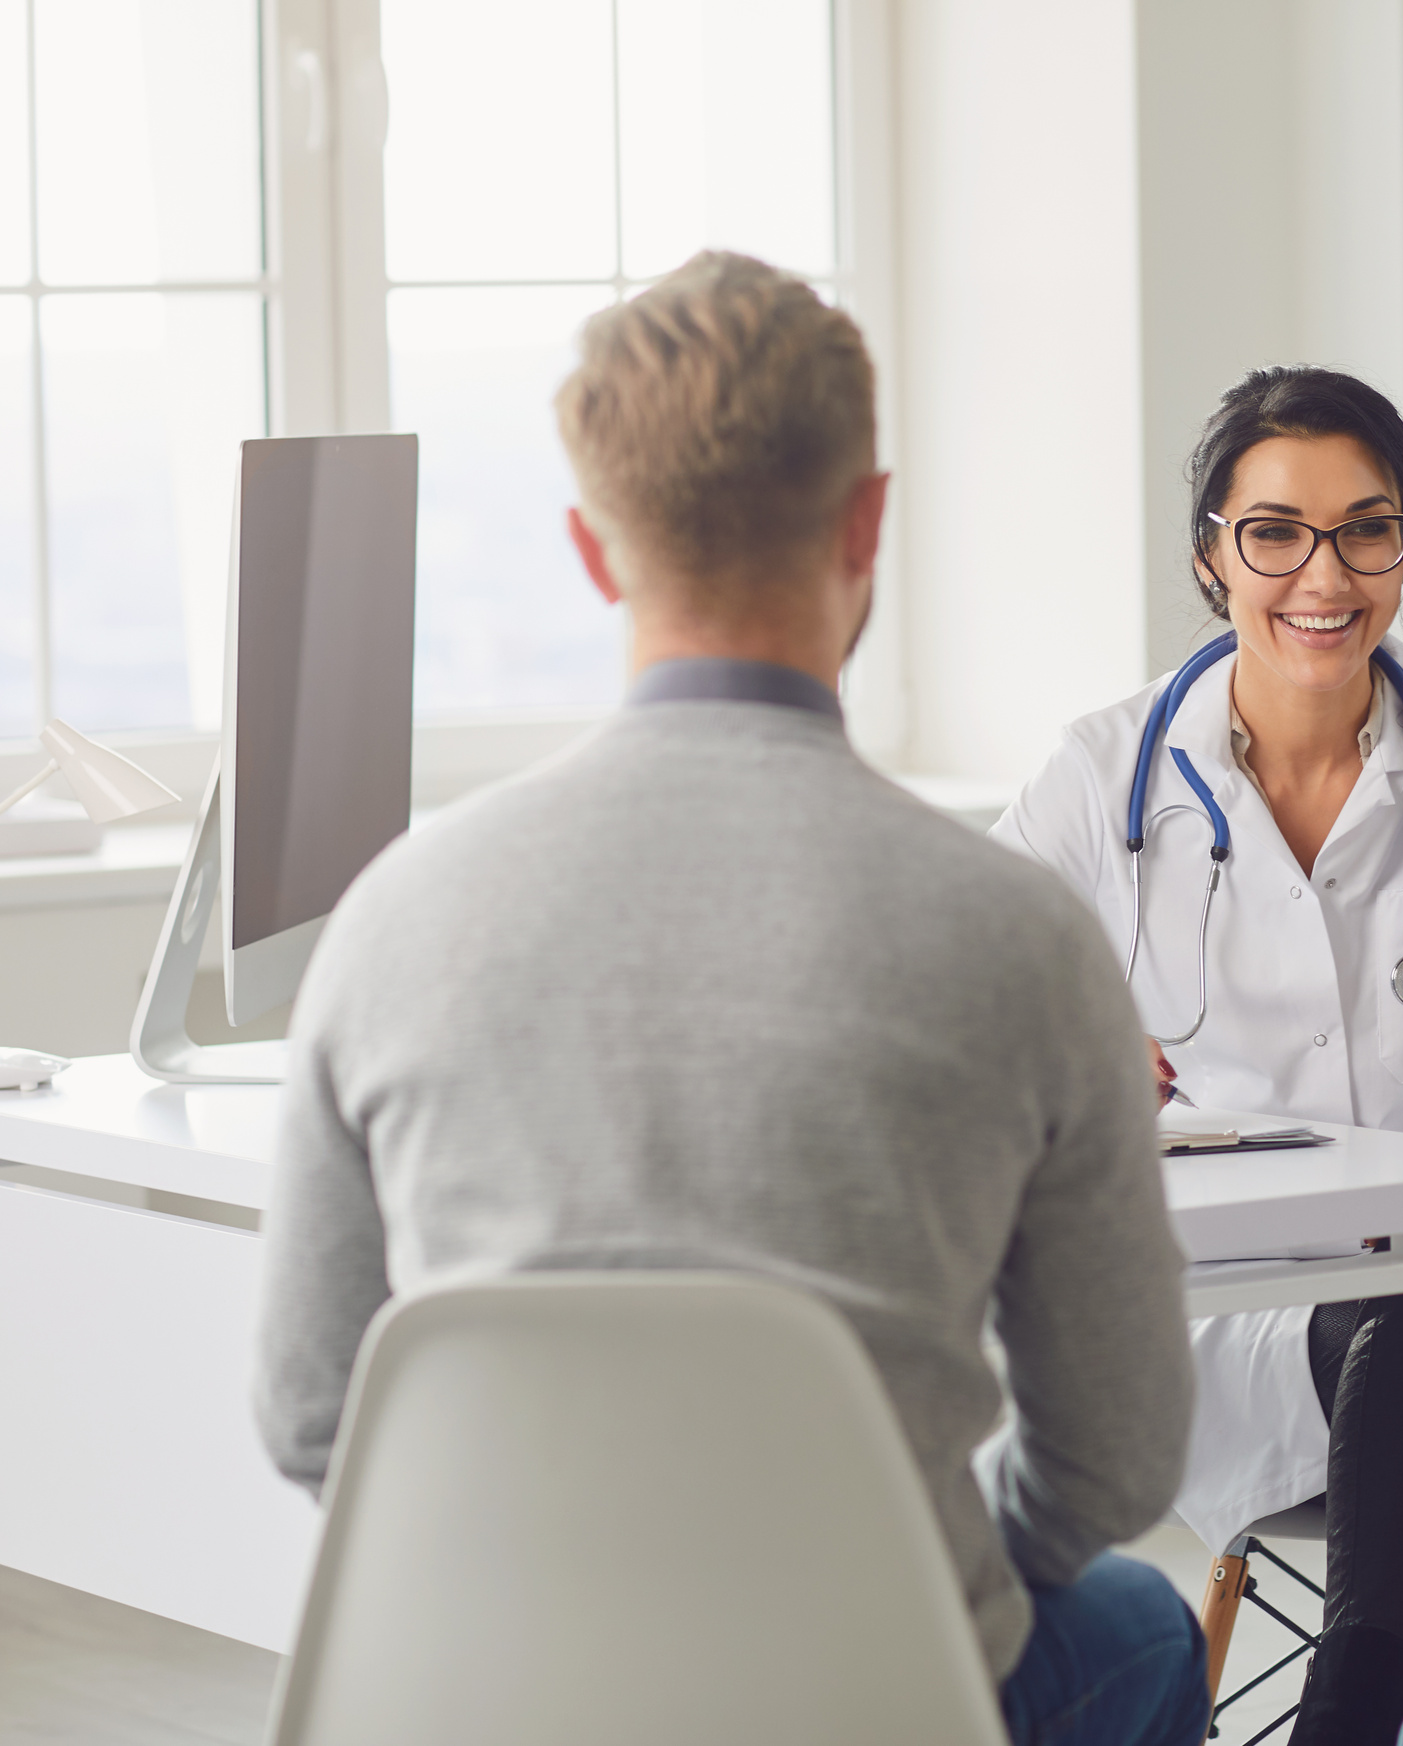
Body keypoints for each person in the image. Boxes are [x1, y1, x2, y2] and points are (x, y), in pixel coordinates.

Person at [253, 252, 1208, 1746]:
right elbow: (1120, 1459)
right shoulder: (1017, 936)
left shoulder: (393, 917)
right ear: (868, 519)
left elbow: (312, 1416)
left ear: (589, 547)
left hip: (497, 1699)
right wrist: (919, 1583)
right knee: (1138, 1624)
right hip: (873, 1697)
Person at [990, 365, 1403, 1743]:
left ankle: (1350, 1710)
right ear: (1211, 553)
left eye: (1365, 528)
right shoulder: (1100, 782)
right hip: (1210, 1319)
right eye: (1273, 531)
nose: (1321, 574)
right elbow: (977, 1032)